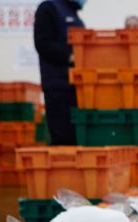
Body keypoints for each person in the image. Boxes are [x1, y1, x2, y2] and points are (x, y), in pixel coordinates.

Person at [34, 0, 85, 146]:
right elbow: (42, 43)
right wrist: (69, 57)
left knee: (77, 141)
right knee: (63, 139)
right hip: (58, 87)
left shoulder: (75, 14)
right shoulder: (49, 8)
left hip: (77, 88)